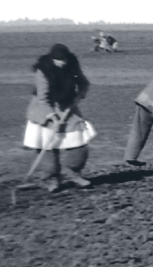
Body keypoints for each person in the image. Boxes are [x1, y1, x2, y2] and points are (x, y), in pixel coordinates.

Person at [23, 44, 97, 192]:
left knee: (79, 140)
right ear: (52, 59)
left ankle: (73, 173)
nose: (62, 63)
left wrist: (79, 96)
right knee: (47, 142)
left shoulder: (72, 65)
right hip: (43, 107)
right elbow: (43, 98)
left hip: (67, 105)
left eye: (64, 59)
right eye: (58, 60)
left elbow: (83, 83)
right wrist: (53, 118)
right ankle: (50, 178)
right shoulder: (43, 70)